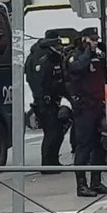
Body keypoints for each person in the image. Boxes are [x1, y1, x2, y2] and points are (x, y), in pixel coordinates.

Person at [66, 28, 107, 196]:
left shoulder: (98, 54)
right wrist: (86, 52)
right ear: (84, 40)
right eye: (92, 39)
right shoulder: (75, 56)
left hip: (98, 104)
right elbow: (77, 68)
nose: (95, 42)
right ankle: (81, 185)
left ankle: (96, 181)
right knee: (84, 146)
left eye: (96, 39)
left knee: (99, 145)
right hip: (84, 107)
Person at [26, 34, 69, 172]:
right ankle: (47, 164)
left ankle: (53, 161)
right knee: (52, 133)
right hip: (45, 103)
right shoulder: (43, 60)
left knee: (56, 133)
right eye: (58, 47)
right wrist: (43, 98)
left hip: (52, 101)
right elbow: (39, 83)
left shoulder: (52, 58)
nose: (60, 49)